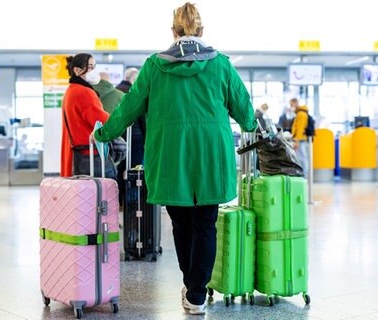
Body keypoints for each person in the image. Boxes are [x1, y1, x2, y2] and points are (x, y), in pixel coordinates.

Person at [91, 2, 256, 315]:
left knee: (180, 224)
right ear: (202, 31)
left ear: (173, 32)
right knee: (206, 224)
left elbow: (129, 107)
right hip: (211, 154)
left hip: (170, 153)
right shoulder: (220, 63)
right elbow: (243, 106)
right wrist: (252, 125)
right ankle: (196, 293)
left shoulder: (154, 65)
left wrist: (103, 133)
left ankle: (191, 284)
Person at [60, 53, 117, 179]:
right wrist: (120, 120)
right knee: (106, 191)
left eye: (94, 67)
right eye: (90, 67)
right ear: (77, 70)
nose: (94, 71)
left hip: (79, 154)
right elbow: (101, 120)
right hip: (91, 154)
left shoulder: (71, 90)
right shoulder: (84, 92)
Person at [115, 67, 143, 207]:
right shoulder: (134, 93)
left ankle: (119, 200)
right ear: (133, 78)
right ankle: (131, 202)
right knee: (135, 171)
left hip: (121, 138)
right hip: (136, 138)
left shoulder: (117, 91)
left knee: (120, 169)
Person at [290, 98, 310, 172]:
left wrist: (297, 141)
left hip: (300, 140)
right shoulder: (299, 113)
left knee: (302, 159)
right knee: (300, 158)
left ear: (296, 103)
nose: (291, 106)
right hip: (299, 139)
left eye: (291, 104)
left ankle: (303, 176)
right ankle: (302, 175)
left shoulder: (301, 114)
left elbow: (300, 129)